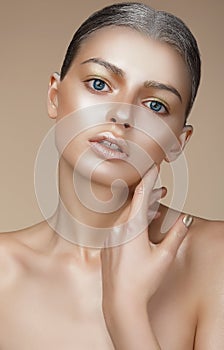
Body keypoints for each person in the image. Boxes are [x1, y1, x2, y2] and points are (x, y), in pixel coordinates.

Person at [0, 2, 224, 349]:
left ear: (177, 143)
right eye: (99, 83)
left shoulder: (215, 258)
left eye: (155, 105)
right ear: (55, 96)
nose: (122, 115)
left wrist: (126, 310)